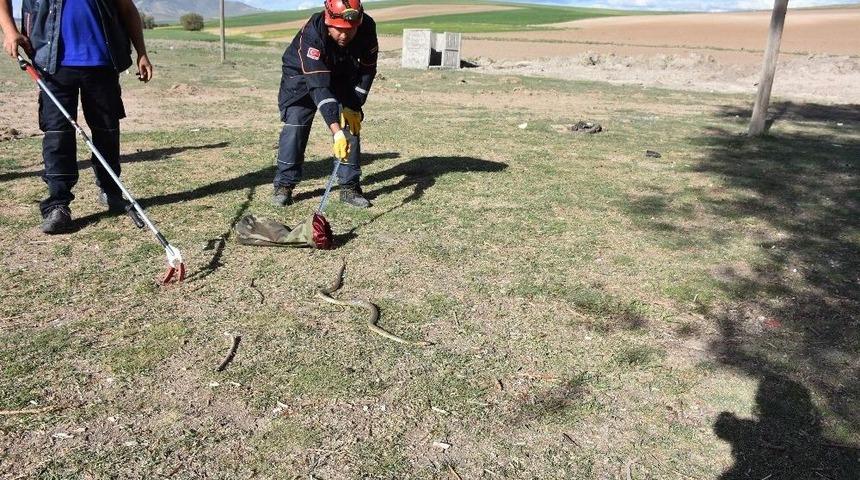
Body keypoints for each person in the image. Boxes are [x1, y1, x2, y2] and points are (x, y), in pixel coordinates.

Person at [0, 0, 153, 234]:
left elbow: (126, 8)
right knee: (58, 135)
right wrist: (10, 30)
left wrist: (142, 51)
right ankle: (58, 205)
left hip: (102, 62)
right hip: (53, 64)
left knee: (107, 131)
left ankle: (111, 192)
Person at [273, 0, 378, 209]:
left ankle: (349, 187)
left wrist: (354, 105)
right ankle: (284, 185)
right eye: (338, 30)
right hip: (302, 76)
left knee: (349, 125)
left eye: (350, 30)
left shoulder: (367, 27)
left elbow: (367, 69)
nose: (344, 35)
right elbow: (319, 86)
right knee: (296, 125)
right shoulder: (312, 34)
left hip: (341, 73)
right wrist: (335, 130)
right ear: (328, 21)